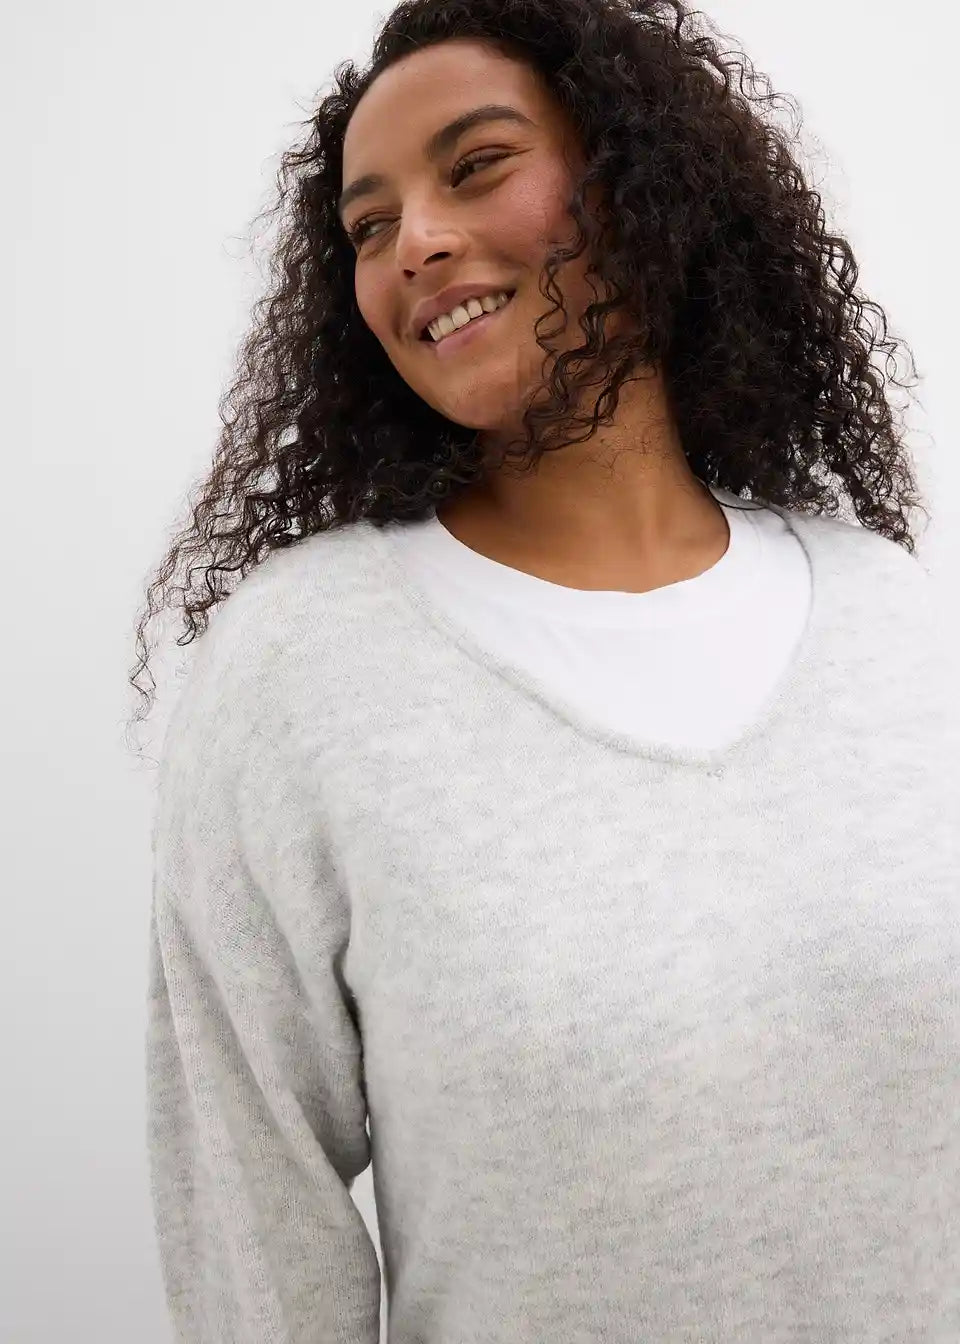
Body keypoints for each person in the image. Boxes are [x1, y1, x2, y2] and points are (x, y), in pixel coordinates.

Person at [136, 0, 959, 1340]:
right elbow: (254, 1229)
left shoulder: (891, 619)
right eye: (368, 226)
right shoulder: (301, 674)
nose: (416, 241)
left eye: (476, 166)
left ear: (639, 181)